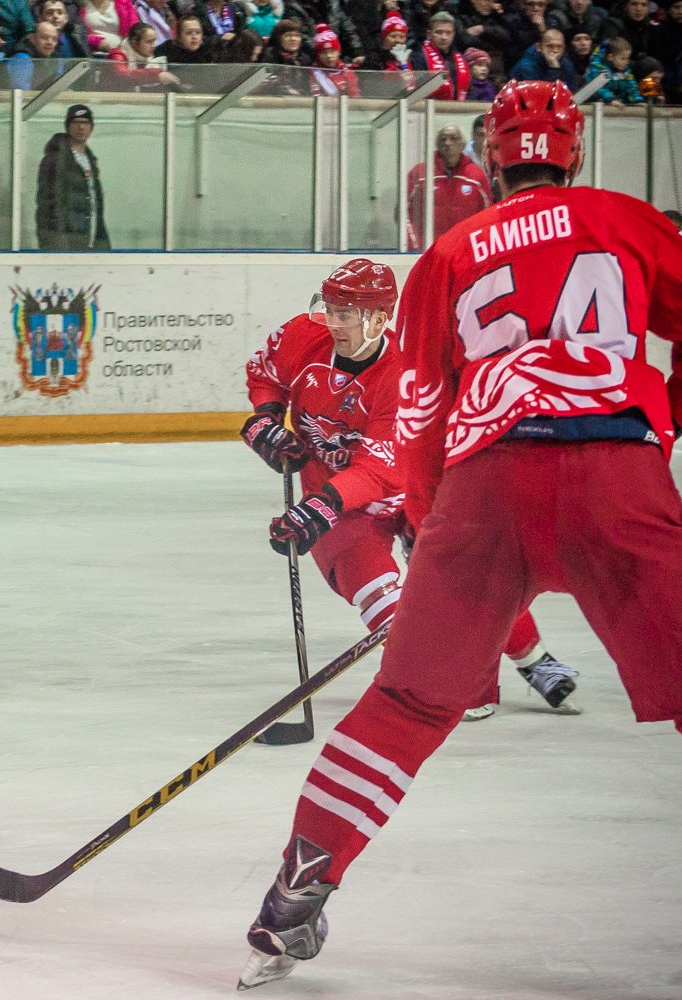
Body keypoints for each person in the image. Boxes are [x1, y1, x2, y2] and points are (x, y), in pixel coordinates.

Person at [238, 78, 682, 991]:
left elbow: (424, 414)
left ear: (490, 159)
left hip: (485, 488)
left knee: (406, 704)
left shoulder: (450, 251)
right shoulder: (627, 219)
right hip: (616, 473)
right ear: (575, 153)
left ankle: (294, 894)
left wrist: (435, 522)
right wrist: (662, 421)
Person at [243, 258, 583, 726]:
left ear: (379, 319)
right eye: (331, 310)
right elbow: (265, 374)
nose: (334, 323)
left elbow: (377, 470)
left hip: (411, 491)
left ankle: (532, 658)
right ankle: (447, 676)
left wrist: (319, 507)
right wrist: (265, 419)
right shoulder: (303, 335)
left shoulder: (402, 375)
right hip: (343, 512)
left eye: (347, 314)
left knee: (468, 574)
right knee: (387, 602)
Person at [36, 104, 111, 251]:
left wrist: (102, 242)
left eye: (85, 123)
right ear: (67, 126)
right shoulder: (56, 160)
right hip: (67, 245)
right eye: (76, 122)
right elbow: (49, 206)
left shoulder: (90, 160)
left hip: (89, 242)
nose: (81, 127)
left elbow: (95, 206)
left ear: (91, 127)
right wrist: (57, 244)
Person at [405, 124, 491, 251]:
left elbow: (488, 215)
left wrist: (478, 246)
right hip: (427, 251)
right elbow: (403, 213)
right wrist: (415, 245)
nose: (448, 143)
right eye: (443, 139)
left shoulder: (477, 176)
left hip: (465, 251)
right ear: (437, 144)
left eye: (453, 138)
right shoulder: (420, 174)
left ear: (462, 144)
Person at [410, 11, 471, 99]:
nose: (444, 37)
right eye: (439, 32)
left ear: (453, 35)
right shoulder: (419, 58)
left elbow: (469, 91)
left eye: (448, 33)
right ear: (429, 34)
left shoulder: (461, 59)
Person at [509, 26, 580, 87]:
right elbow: (543, 95)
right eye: (550, 46)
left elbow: (573, 90)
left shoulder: (566, 63)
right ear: (539, 47)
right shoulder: (526, 67)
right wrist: (554, 68)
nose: (555, 50)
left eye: (559, 46)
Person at [586, 37, 647, 105]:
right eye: (623, 59)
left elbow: (632, 86)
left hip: (619, 103)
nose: (627, 62)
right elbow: (599, 88)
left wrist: (638, 100)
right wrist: (611, 99)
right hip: (595, 104)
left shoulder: (626, 70)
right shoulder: (597, 67)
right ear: (610, 57)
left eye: (628, 58)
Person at [6, 21, 63, 88]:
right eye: (44, 37)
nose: (50, 42)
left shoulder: (56, 58)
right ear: (32, 38)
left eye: (54, 39)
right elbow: (21, 89)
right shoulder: (21, 58)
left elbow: (58, 87)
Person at [309, 23, 360, 94]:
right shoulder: (314, 73)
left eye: (332, 51)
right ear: (318, 55)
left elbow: (355, 96)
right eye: (323, 52)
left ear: (339, 52)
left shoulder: (348, 72)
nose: (329, 56)